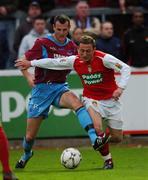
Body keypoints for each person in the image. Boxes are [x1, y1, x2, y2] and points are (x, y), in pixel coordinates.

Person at [15, 35, 131, 169]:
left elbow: (125, 68)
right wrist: (31, 63)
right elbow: (53, 62)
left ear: (94, 49)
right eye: (82, 51)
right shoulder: (75, 60)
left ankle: (103, 139)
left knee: (117, 138)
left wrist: (120, 88)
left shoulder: (105, 59)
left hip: (111, 101)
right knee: (97, 129)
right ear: (78, 50)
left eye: (88, 51)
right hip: (91, 99)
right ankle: (108, 160)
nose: (84, 54)